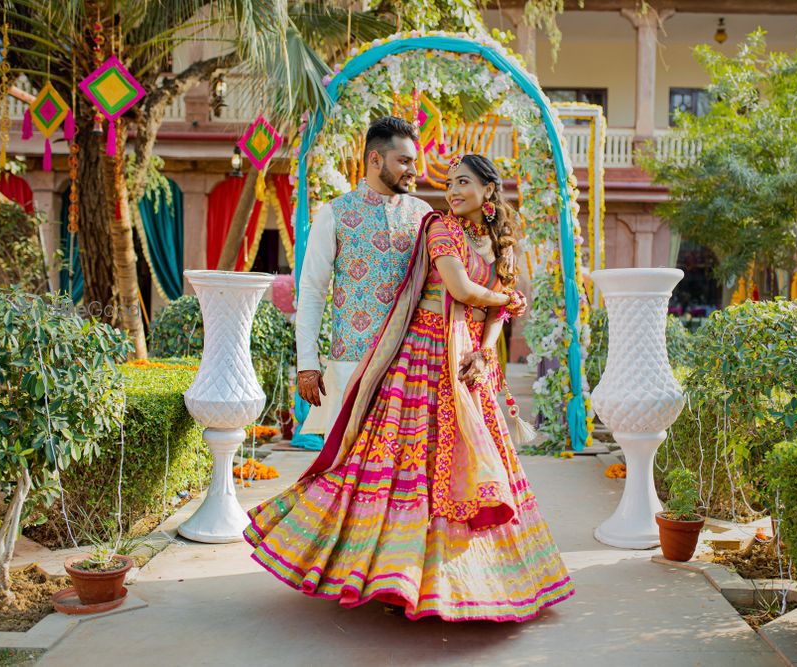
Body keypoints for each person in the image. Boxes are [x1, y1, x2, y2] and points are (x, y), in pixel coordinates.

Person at [246, 154, 574, 622]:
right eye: (450, 182)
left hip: (467, 364)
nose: (453, 191)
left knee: (467, 469)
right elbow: (461, 290)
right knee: (402, 467)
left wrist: (484, 353)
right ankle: (389, 573)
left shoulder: (502, 244)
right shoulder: (440, 228)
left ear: (488, 191)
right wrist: (509, 297)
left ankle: (463, 582)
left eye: (464, 183)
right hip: (421, 355)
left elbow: (494, 315)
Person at [295, 116, 432, 441]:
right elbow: (313, 290)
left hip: (408, 364)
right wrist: (307, 363)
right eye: (404, 161)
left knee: (402, 471)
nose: (413, 170)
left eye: (413, 161)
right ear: (375, 159)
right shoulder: (335, 214)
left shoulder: (423, 214)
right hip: (350, 364)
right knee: (345, 464)